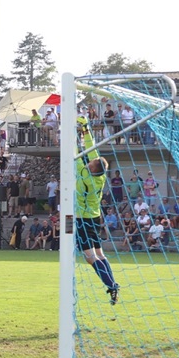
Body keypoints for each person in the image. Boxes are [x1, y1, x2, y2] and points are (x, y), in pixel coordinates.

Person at [76, 118, 121, 304]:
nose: (90, 160)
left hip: (82, 219)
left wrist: (71, 131)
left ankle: (111, 285)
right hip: (94, 217)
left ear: (92, 167)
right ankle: (113, 284)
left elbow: (76, 153)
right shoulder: (99, 177)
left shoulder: (83, 173)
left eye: (92, 161)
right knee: (100, 254)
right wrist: (85, 129)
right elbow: (91, 149)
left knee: (90, 257)